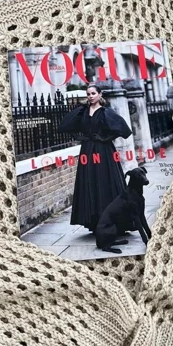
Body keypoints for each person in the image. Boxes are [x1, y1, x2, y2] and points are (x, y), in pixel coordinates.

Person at [57, 83, 133, 234]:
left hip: (104, 151)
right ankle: (94, 222)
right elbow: (65, 125)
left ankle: (114, 222)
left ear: (100, 94)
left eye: (93, 93)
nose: (90, 96)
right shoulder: (82, 111)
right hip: (87, 149)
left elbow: (123, 130)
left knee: (105, 180)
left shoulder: (106, 112)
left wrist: (105, 138)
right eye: (88, 94)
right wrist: (79, 137)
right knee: (89, 181)